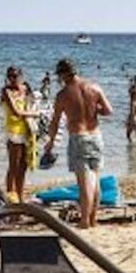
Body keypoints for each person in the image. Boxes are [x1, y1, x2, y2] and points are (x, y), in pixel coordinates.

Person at [45, 58, 112, 229]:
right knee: (95, 180)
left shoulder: (63, 95)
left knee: (84, 183)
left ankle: (84, 221)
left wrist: (50, 144)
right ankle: (93, 219)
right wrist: (93, 108)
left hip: (78, 137)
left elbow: (54, 122)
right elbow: (108, 111)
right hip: (96, 135)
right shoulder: (94, 87)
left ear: (62, 74)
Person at [1, 67, 39, 202]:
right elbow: (16, 111)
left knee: (23, 166)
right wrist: (35, 114)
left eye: (15, 76)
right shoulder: (6, 91)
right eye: (10, 76)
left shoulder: (25, 88)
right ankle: (11, 199)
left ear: (21, 76)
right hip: (14, 131)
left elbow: (32, 103)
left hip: (27, 130)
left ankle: (20, 197)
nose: (13, 79)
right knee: (13, 166)